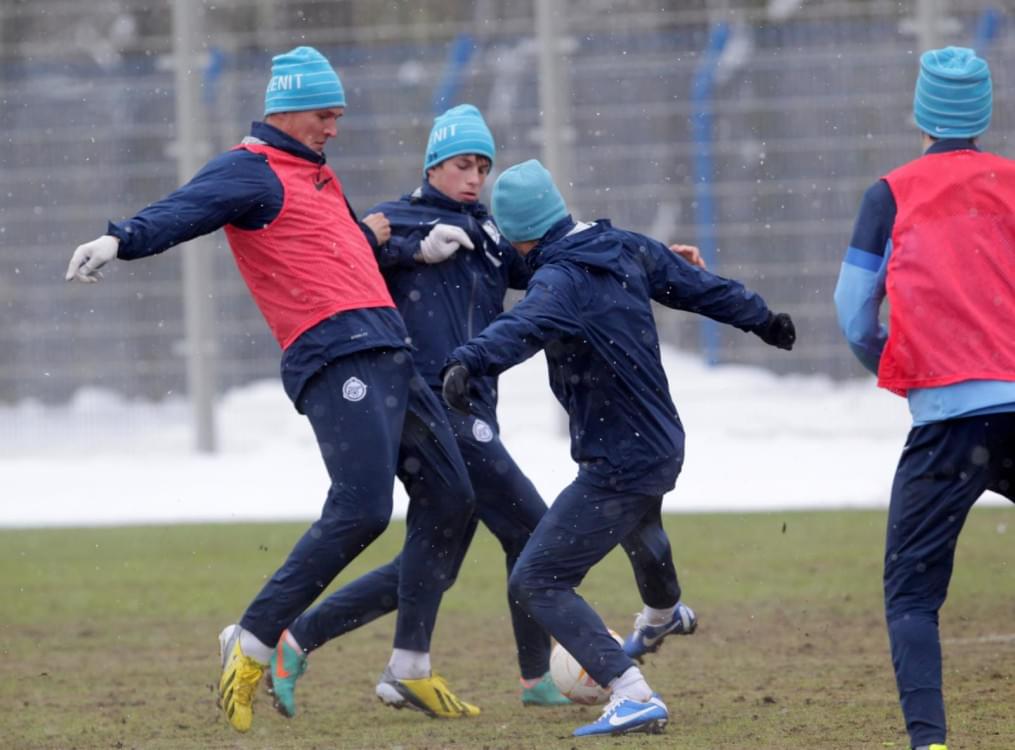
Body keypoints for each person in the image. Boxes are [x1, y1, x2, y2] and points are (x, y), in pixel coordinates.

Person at [64, 46, 481, 733]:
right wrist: (122, 240)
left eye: (338, 115)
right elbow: (186, 208)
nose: (334, 128)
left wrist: (410, 249)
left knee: (454, 500)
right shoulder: (249, 169)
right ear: (286, 109)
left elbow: (344, 250)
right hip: (334, 352)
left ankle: (409, 665)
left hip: (389, 348)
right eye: (325, 115)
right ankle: (252, 640)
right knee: (362, 510)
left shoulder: (317, 174)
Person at [265, 104, 699, 719]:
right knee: (531, 530)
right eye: (462, 164)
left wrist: (647, 265)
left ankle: (313, 644)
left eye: (483, 168)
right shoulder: (396, 219)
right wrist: (409, 249)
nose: (474, 178)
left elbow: (559, 262)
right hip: (427, 405)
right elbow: (339, 265)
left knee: (432, 562)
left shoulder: (492, 233)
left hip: (475, 408)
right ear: (433, 165)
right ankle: (526, 674)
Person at [440, 159, 796, 737]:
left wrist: (467, 361)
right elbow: (700, 288)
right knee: (642, 529)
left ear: (517, 234)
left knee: (536, 581)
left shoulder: (560, 281)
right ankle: (664, 614)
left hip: (619, 460)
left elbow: (523, 325)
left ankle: (631, 692)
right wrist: (764, 319)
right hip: (658, 442)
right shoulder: (624, 247)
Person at [834, 46, 1015, 750]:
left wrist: (889, 362)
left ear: (922, 114)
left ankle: (930, 742)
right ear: (983, 114)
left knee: (912, 595)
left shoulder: (890, 194)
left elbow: (853, 313)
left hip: (946, 423)